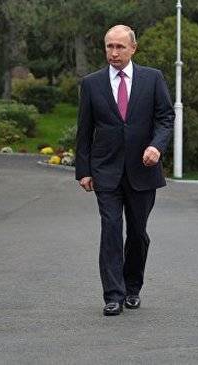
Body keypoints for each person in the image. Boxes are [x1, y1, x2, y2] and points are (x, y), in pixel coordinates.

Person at [75, 25, 174, 316]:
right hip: (105, 170)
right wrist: (84, 170)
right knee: (111, 229)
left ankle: (132, 288)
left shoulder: (152, 79)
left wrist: (157, 146)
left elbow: (165, 117)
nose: (114, 53)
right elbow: (85, 129)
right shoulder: (92, 83)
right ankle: (113, 295)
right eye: (109, 47)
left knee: (138, 233)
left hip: (143, 171)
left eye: (119, 47)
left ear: (133, 48)